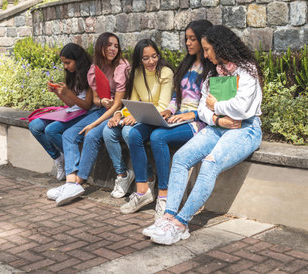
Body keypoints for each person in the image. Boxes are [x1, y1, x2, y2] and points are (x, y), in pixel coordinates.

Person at [144, 25, 263, 245]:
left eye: (208, 49)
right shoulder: (214, 72)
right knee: (180, 159)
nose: (205, 54)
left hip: (245, 128)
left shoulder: (247, 70)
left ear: (220, 47)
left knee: (210, 163)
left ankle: (181, 224)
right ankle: (168, 217)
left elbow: (243, 109)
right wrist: (218, 118)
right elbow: (201, 109)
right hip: (218, 126)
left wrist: (217, 105)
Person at [46, 32, 130, 206]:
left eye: (116, 45)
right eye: (109, 45)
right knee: (69, 134)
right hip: (102, 109)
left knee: (91, 135)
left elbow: (117, 105)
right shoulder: (95, 68)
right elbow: (96, 100)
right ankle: (70, 182)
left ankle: (78, 182)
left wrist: (94, 123)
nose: (113, 49)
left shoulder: (122, 67)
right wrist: (102, 101)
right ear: (100, 47)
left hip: (119, 111)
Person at [148, 20, 213, 220]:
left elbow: (210, 102)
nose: (188, 43)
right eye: (186, 39)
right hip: (179, 117)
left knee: (158, 136)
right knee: (152, 131)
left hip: (199, 121)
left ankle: (164, 194)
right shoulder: (186, 64)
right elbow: (177, 96)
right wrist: (168, 110)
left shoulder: (212, 67)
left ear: (204, 39)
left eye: (192, 39)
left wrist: (192, 115)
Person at [103, 39, 174, 215]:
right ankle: (125, 176)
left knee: (130, 132)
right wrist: (119, 113)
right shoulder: (136, 73)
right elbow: (134, 103)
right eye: (146, 58)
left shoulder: (165, 72)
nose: (151, 62)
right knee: (108, 130)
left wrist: (136, 116)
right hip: (142, 115)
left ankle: (147, 181)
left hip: (157, 118)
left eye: (154, 56)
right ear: (139, 59)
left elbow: (162, 107)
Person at [28, 43, 92, 181]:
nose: (65, 67)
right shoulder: (72, 74)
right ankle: (59, 158)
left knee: (51, 130)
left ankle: (72, 160)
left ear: (78, 60)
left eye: (68, 63)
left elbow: (87, 105)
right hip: (72, 111)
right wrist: (58, 93)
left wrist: (70, 93)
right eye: (64, 63)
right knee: (34, 126)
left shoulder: (89, 74)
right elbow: (70, 103)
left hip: (85, 114)